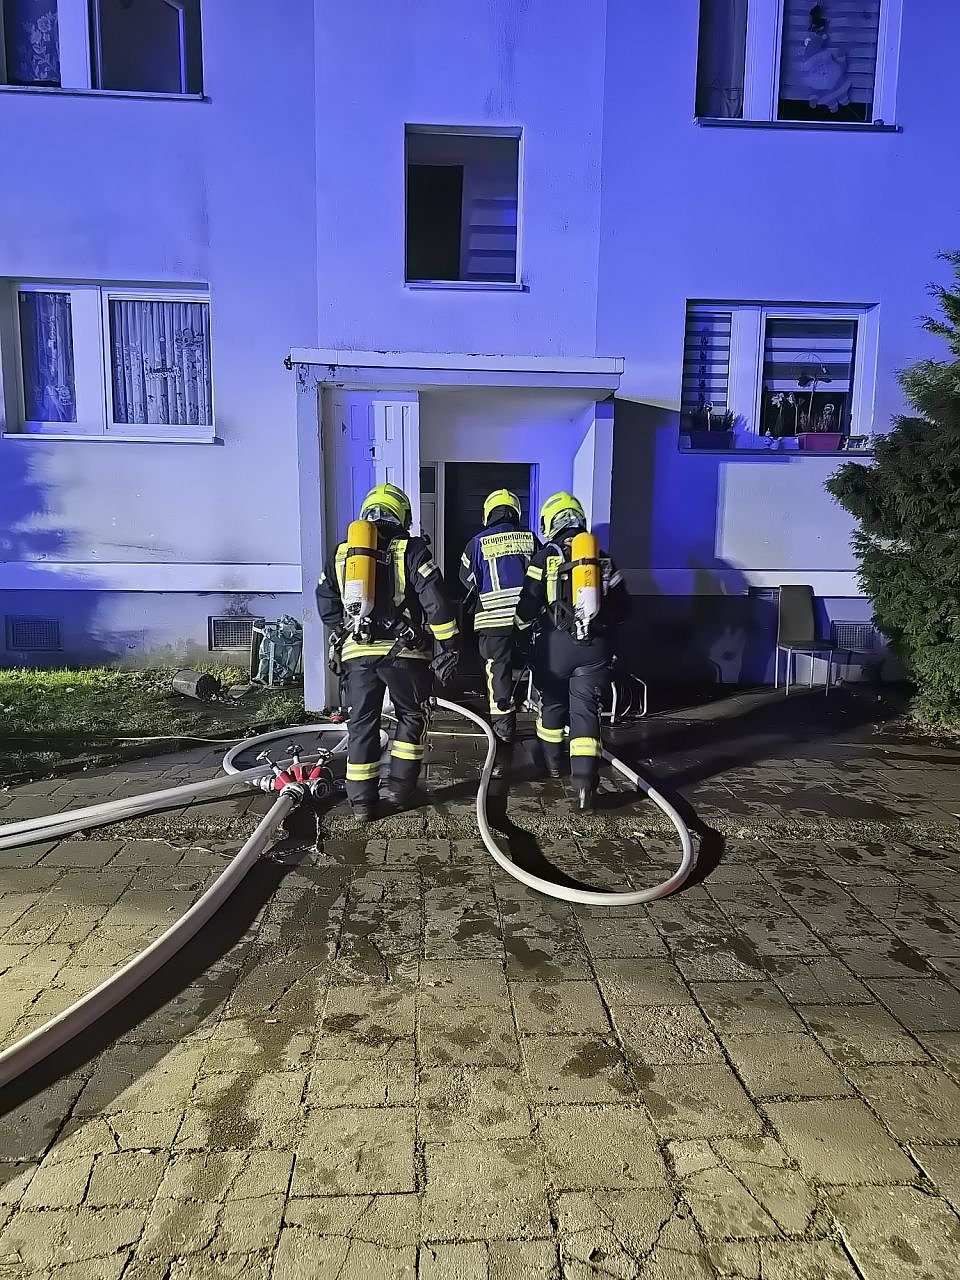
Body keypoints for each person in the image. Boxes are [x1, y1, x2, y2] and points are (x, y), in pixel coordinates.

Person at [317, 482, 459, 823]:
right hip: (404, 655)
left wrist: (343, 631)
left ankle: (362, 804)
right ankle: (400, 790)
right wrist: (450, 644)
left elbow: (325, 600)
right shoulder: (412, 549)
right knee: (411, 716)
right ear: (403, 516)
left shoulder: (342, 553)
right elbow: (436, 601)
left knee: (362, 724)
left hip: (357, 654)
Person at [514, 491, 630, 810]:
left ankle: (553, 765)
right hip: (594, 648)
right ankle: (584, 785)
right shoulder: (602, 558)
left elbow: (528, 603)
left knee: (551, 704)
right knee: (585, 711)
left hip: (554, 647)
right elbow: (625, 607)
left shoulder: (545, 557)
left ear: (550, 522)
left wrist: (519, 634)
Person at [459, 488, 538, 774]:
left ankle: (503, 734)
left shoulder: (476, 543)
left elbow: (466, 579)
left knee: (498, 675)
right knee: (542, 668)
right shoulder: (531, 539)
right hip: (529, 619)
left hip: (492, 622)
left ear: (487, 514)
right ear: (515, 511)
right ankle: (551, 726)